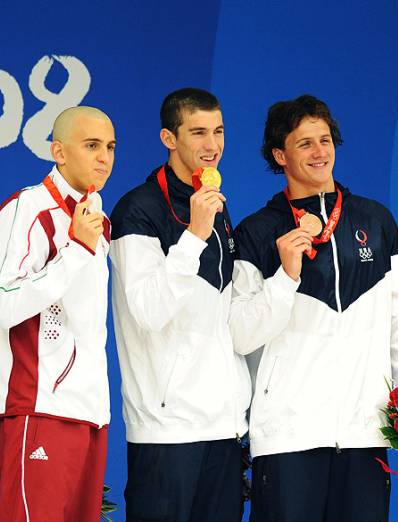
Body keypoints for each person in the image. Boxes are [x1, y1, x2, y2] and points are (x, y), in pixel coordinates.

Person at [230, 94, 398, 521]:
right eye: (304, 143)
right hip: (287, 437)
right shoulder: (257, 232)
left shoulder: (377, 222)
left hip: (364, 435)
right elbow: (241, 336)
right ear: (279, 154)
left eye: (325, 140)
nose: (319, 152)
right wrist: (285, 277)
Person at [108, 87, 250, 521]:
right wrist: (194, 235)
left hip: (224, 428)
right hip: (166, 432)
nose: (213, 145)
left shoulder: (216, 206)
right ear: (169, 139)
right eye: (198, 133)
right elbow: (148, 311)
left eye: (219, 132)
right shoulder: (138, 209)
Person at [0, 106, 114, 522]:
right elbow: (5, 304)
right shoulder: (28, 209)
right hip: (40, 407)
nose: (104, 158)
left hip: (89, 413)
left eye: (110, 147)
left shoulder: (97, 218)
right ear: (58, 151)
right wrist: (74, 249)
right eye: (91, 145)